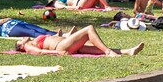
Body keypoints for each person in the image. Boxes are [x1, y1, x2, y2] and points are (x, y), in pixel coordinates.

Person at [14, 24, 145, 57]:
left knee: (96, 47)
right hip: (61, 47)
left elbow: (48, 41)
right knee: (89, 29)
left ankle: (128, 51)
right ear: (21, 46)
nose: (22, 38)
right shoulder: (28, 46)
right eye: (21, 40)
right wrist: (57, 53)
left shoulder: (34, 39)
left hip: (64, 42)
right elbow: (40, 52)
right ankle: (108, 52)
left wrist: (60, 35)